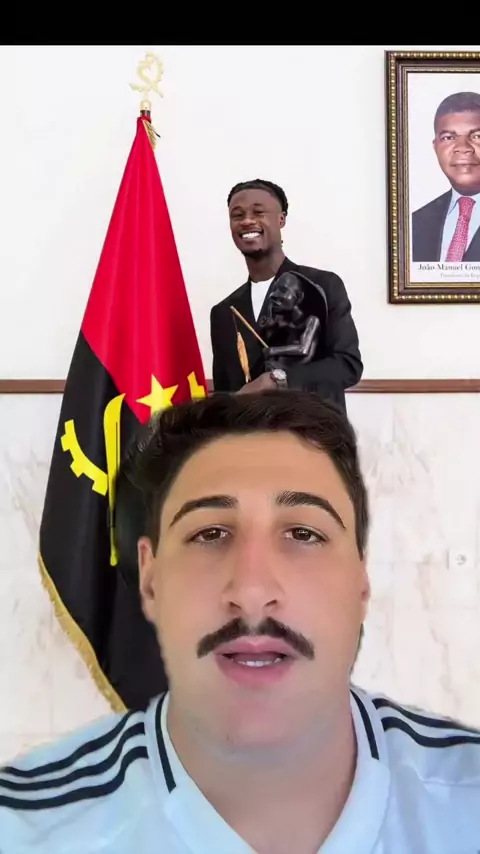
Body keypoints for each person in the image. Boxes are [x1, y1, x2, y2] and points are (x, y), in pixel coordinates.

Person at [0, 389, 479, 853]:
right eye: (210, 533)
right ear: (150, 577)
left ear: (360, 579)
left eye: (303, 533)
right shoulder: (22, 831)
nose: (252, 592)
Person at [209, 179, 363, 411]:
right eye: (237, 215)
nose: (247, 220)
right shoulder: (222, 312)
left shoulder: (323, 285)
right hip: (248, 433)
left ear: (281, 219)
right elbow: (226, 394)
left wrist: (278, 380)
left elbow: (347, 365)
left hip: (313, 430)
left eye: (258, 212)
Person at [412, 91, 480, 262]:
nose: (463, 148)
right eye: (449, 137)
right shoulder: (415, 223)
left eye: (477, 136)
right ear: (436, 147)